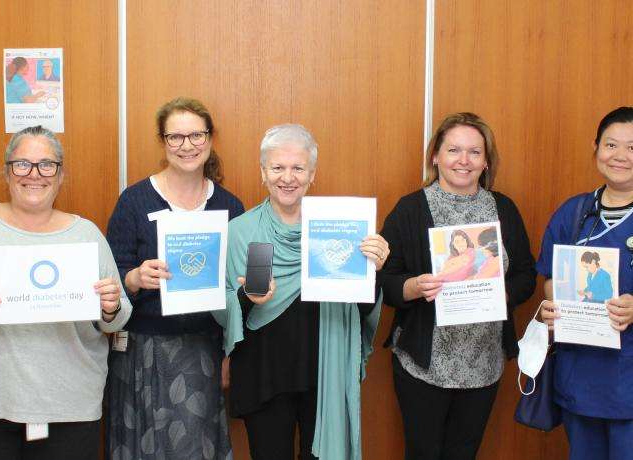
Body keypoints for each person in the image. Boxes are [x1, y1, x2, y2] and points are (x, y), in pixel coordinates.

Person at [0, 125, 130, 459]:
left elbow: (117, 317)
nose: (34, 174)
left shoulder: (85, 234)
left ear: (60, 176)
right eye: (22, 164)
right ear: (7, 172)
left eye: (47, 165)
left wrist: (110, 307)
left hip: (67, 406)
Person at [216, 124, 387, 460]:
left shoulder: (339, 230)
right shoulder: (241, 231)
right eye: (277, 167)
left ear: (312, 175)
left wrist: (374, 271)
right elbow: (223, 309)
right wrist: (246, 298)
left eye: (298, 168)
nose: (287, 177)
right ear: (262, 172)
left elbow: (362, 306)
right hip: (263, 374)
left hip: (323, 373)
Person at [378, 112, 536, 460]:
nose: (463, 161)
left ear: (486, 161)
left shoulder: (504, 209)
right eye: (453, 150)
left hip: (484, 363)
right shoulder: (410, 209)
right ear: (435, 155)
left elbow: (526, 274)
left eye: (474, 152)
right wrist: (415, 287)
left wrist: (499, 293)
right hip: (422, 365)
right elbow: (384, 281)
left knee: (464, 454)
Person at [105, 97, 242, 460]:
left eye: (196, 135)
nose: (187, 146)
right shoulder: (134, 201)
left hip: (204, 351)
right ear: (162, 142)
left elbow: (236, 292)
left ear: (210, 139)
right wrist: (134, 277)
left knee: (195, 448)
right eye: (175, 137)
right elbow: (109, 277)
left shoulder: (229, 206)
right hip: (141, 351)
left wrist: (232, 352)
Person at [539, 106, 633, 460]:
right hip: (581, 378)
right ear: (596, 149)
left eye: (632, 147)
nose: (620, 156)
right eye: (611, 144)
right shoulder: (574, 213)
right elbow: (550, 279)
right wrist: (554, 302)